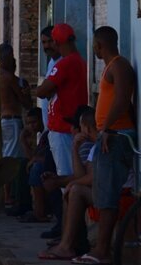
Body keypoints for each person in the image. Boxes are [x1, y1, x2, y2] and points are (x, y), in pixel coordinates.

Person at [81, 26, 136, 265]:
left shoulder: (119, 65)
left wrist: (106, 129)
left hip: (114, 137)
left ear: (98, 44)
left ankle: (102, 251)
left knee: (108, 196)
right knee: (104, 195)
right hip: (110, 135)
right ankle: (102, 248)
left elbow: (123, 100)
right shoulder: (110, 68)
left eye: (94, 44)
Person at [38, 106, 98, 260]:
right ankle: (68, 242)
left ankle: (66, 245)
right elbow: (81, 175)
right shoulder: (90, 147)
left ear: (86, 129)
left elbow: (89, 178)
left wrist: (64, 182)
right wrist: (74, 148)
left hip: (111, 193)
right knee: (72, 189)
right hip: (100, 190)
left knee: (74, 190)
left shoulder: (91, 146)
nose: (70, 130)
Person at [36, 23, 88, 184]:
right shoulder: (79, 61)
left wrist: (46, 88)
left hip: (62, 128)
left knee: (66, 179)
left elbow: (41, 91)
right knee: (74, 176)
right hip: (71, 126)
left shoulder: (65, 63)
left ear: (56, 43)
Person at [0, 43, 32, 214]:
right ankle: (8, 195)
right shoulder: (9, 78)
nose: (14, 60)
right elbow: (25, 102)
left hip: (3, 120)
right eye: (11, 56)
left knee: (7, 156)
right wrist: (26, 93)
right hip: (12, 120)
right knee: (11, 160)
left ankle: (7, 194)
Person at [19, 107, 53, 223]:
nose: (31, 126)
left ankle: (40, 212)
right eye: (29, 123)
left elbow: (47, 157)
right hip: (43, 164)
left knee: (36, 168)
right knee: (23, 164)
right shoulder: (41, 136)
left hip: (52, 167)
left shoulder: (49, 134)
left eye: (34, 122)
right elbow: (32, 157)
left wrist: (34, 160)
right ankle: (24, 205)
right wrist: (23, 140)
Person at [39, 25, 61, 130]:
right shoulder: (52, 61)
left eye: (50, 41)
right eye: (44, 42)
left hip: (59, 127)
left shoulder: (62, 61)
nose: (47, 45)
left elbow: (44, 92)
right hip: (50, 126)